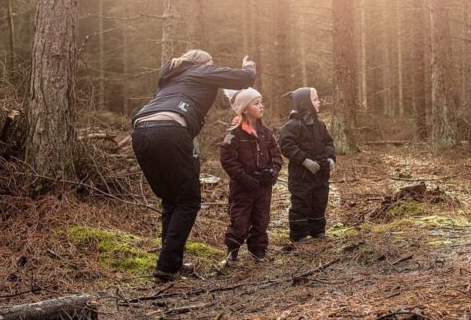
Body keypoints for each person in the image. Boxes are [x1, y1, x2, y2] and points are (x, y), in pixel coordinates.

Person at [131, 50, 256, 281]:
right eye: (212, 65)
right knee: (188, 201)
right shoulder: (200, 69)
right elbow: (244, 79)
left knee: (172, 200)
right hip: (170, 130)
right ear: (205, 63)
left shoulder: (171, 77)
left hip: (140, 132)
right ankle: (168, 265)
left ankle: (170, 263)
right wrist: (249, 67)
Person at [219, 88, 282, 263]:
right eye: (256, 103)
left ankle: (258, 250)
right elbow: (228, 160)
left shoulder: (266, 132)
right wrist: (244, 178)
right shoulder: (234, 134)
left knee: (262, 219)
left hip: (263, 187)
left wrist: (273, 171)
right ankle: (233, 250)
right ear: (245, 109)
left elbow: (276, 154)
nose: (261, 106)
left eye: (261, 102)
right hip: (243, 188)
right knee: (240, 220)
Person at [279, 87, 336, 243]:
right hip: (301, 177)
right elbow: (286, 145)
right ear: (305, 103)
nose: (319, 102)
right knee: (301, 203)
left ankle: (317, 231)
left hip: (321, 174)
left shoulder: (320, 125)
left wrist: (331, 158)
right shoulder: (292, 126)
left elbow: (328, 143)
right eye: (315, 99)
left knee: (319, 202)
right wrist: (304, 160)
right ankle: (299, 235)